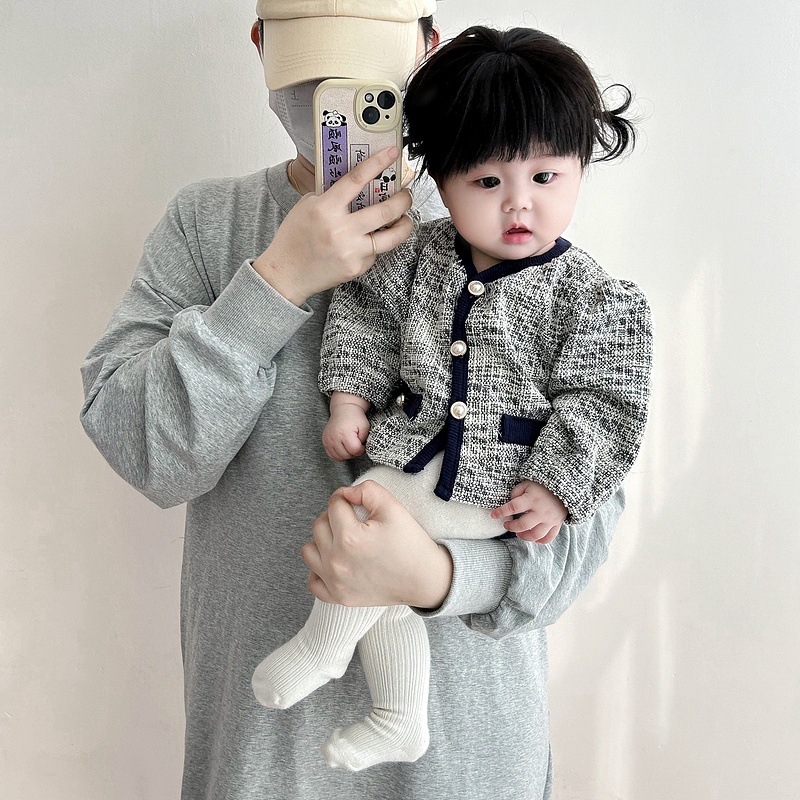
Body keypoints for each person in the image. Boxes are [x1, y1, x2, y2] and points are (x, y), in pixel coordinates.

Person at [80, 3, 630, 798]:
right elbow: (147, 453)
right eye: (310, 66)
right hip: (264, 760)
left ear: (428, 47)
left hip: (466, 763)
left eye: (362, 66)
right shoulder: (209, 226)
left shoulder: (516, 223)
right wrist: (275, 282)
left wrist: (440, 576)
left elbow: (590, 512)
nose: (332, 95)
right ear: (262, 47)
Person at [251, 25, 653, 773]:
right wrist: (349, 402)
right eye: (487, 183)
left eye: (546, 176)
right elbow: (365, 318)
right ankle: (399, 715)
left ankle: (325, 644)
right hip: (420, 459)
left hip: (496, 495)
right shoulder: (416, 257)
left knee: (365, 525)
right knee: (378, 559)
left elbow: (605, 404)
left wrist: (558, 488)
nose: (519, 204)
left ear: (581, 168)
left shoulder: (593, 298)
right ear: (440, 177)